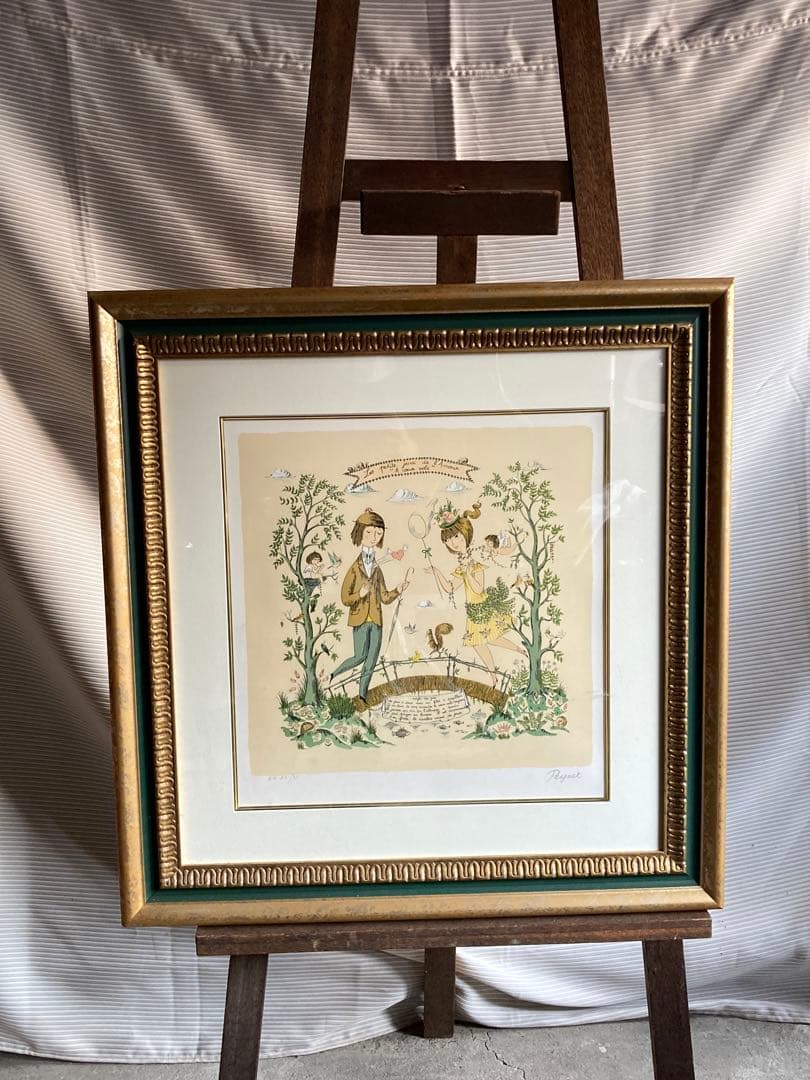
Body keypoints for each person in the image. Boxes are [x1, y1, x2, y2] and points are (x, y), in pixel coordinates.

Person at [428, 503, 522, 684]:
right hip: (473, 611)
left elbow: (478, 589)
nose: (453, 542)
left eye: (456, 536)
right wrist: (436, 572)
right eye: (449, 539)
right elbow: (450, 587)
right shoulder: (463, 563)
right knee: (485, 641)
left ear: (465, 534)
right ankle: (498, 672)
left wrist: (468, 572)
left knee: (486, 640)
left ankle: (503, 667)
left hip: (482, 607)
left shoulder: (474, 561)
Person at [331, 508, 410, 702]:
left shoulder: (377, 568)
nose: (374, 537)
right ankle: (334, 674)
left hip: (376, 620)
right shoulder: (354, 568)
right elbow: (344, 598)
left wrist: (398, 589)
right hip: (359, 619)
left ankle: (362, 695)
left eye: (378, 533)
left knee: (372, 660)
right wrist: (360, 594)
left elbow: (384, 597)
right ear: (360, 533)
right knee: (359, 656)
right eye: (369, 532)